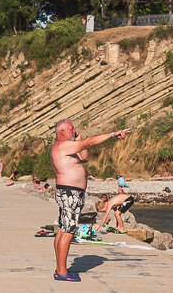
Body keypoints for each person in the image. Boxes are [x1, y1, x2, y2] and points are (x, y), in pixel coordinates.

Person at [50, 119, 132, 282]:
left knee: (63, 229)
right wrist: (113, 134)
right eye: (71, 129)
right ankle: (61, 271)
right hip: (70, 193)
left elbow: (85, 157)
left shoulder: (68, 146)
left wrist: (79, 141)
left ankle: (60, 267)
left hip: (70, 192)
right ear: (62, 132)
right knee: (67, 231)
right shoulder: (62, 146)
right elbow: (90, 142)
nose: (74, 131)